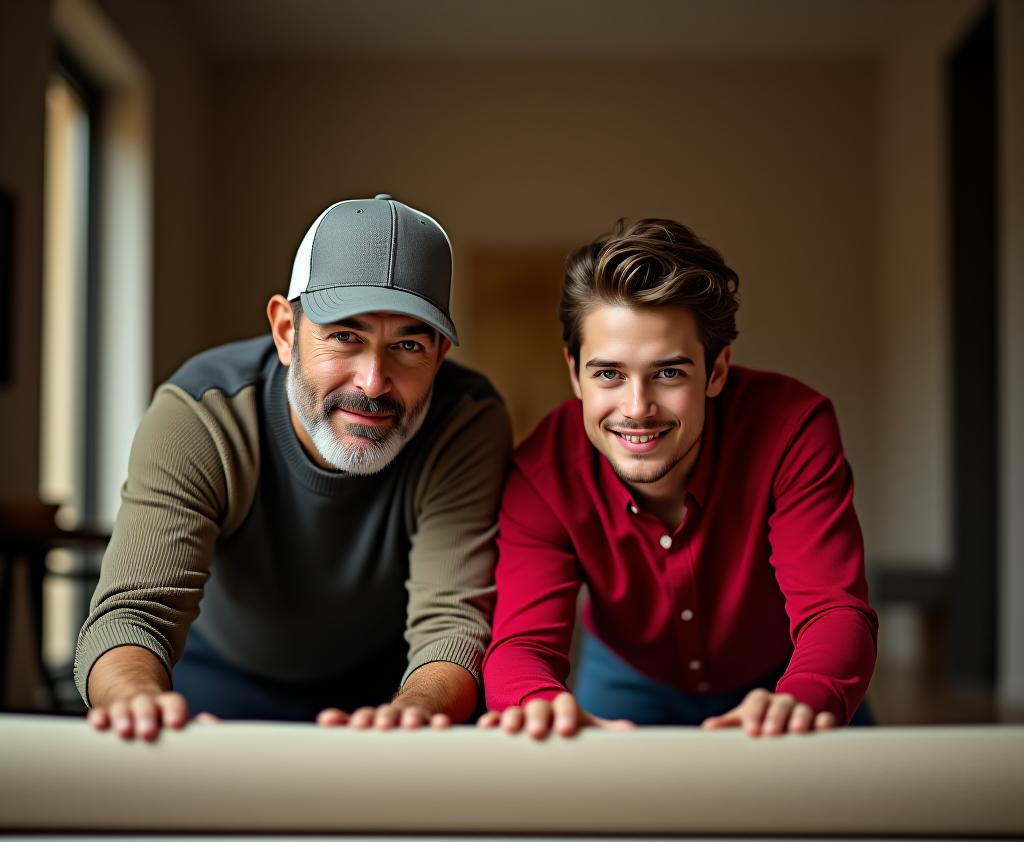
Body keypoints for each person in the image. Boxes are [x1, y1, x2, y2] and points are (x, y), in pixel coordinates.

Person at [78, 194, 511, 741]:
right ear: (286, 331)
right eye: (345, 337)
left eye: (407, 345)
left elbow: (453, 625)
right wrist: (138, 702)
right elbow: (133, 612)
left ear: (441, 354)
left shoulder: (465, 422)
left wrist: (416, 711)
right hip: (211, 687)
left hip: (392, 692)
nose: (373, 382)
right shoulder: (204, 411)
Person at [479, 218, 876, 739]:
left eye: (668, 372)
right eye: (608, 374)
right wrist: (538, 704)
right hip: (627, 675)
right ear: (574, 373)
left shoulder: (792, 428)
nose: (637, 408)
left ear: (716, 371)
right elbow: (522, 643)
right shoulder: (540, 472)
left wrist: (803, 699)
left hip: (786, 674)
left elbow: (833, 608)